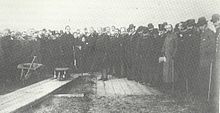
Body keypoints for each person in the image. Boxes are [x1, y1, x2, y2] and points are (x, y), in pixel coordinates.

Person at [197, 17, 216, 96]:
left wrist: (205, 51)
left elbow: (212, 46)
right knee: (203, 77)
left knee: (207, 78)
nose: (200, 28)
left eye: (201, 26)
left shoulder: (210, 33)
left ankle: (207, 95)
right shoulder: (203, 33)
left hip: (208, 60)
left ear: (205, 25)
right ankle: (203, 94)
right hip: (202, 59)